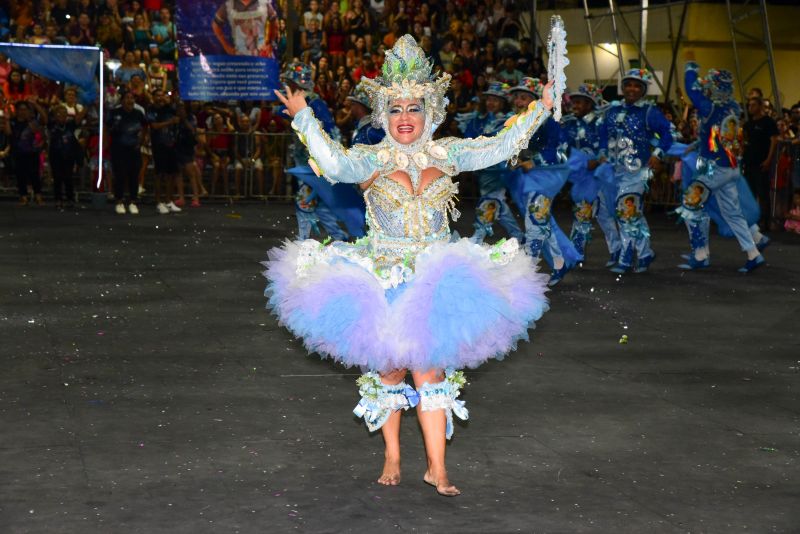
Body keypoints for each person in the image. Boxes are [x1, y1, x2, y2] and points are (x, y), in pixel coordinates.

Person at [268, 35, 554, 496]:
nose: (405, 117)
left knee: (431, 372)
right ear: (384, 114)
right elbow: (331, 164)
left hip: (438, 277)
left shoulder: (450, 153)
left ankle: (438, 468)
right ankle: (393, 455)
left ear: (431, 112)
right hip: (382, 277)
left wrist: (539, 108)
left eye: (414, 107)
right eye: (396, 108)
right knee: (392, 373)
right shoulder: (370, 159)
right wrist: (305, 116)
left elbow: (501, 146)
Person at [677, 63, 768, 272]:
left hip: (714, 169)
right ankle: (753, 253)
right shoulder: (733, 107)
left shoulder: (710, 107)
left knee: (690, 204)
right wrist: (699, 144)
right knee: (733, 213)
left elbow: (691, 90)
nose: (705, 89)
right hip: (731, 169)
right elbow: (717, 136)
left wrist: (690, 69)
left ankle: (700, 254)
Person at [598, 69, 674, 274]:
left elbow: (669, 132)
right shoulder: (612, 111)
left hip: (637, 171)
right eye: (628, 85)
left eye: (636, 86)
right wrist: (603, 152)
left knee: (626, 210)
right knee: (632, 213)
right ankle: (645, 253)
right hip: (614, 171)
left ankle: (625, 257)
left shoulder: (649, 112)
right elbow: (603, 133)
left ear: (643, 90)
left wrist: (657, 154)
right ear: (622, 88)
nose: (632, 89)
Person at [507, 77, 581, 286]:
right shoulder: (516, 121)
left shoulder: (548, 121)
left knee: (535, 225)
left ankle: (528, 272)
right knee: (541, 221)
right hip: (527, 179)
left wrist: (534, 161)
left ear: (536, 100)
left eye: (524, 97)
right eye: (517, 97)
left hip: (547, 179)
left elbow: (563, 151)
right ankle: (559, 263)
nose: (519, 102)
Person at [280, 60, 348, 241]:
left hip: (314, 162)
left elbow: (332, 132)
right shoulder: (307, 102)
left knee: (307, 199)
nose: (287, 85)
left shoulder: (314, 103)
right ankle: (339, 237)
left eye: (289, 82)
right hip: (307, 160)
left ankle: (304, 241)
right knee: (318, 201)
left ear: (296, 83)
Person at [560, 83, 621, 263]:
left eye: (579, 102)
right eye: (574, 102)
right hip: (580, 176)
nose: (575, 105)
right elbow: (563, 147)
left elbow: (607, 145)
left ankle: (580, 252)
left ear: (590, 104)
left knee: (596, 214)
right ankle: (580, 252)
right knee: (594, 213)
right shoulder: (569, 123)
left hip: (598, 175)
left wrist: (598, 159)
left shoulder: (600, 123)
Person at [457, 81, 523, 244]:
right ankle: (519, 236)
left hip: (498, 167)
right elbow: (468, 137)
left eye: (495, 100)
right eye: (488, 99)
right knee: (497, 201)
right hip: (482, 166)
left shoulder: (509, 120)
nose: (491, 103)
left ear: (503, 102)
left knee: (490, 198)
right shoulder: (476, 119)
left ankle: (479, 235)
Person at [108, 90, 147, 214]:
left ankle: (133, 202)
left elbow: (145, 127)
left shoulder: (138, 113)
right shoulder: (114, 113)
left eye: (132, 98)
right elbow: (106, 127)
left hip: (134, 149)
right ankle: (119, 201)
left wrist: (141, 141)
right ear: (122, 100)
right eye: (127, 98)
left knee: (134, 175)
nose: (129, 100)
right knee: (119, 175)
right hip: (118, 149)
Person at [742, 96, 779, 230]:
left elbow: (774, 141)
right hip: (749, 163)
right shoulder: (747, 124)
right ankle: (752, 220)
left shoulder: (768, 122)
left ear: (760, 106)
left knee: (763, 193)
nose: (750, 108)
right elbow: (744, 142)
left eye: (753, 105)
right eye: (749, 105)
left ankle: (765, 222)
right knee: (750, 193)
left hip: (762, 163)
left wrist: (768, 160)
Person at [4, 99, 47, 206]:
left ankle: (38, 196)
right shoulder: (13, 121)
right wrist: (7, 120)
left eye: (25, 109)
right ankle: (23, 196)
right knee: (20, 175)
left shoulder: (32, 122)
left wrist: (35, 105)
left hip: (32, 152)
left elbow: (44, 120)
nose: (23, 112)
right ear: (17, 111)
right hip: (18, 152)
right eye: (20, 109)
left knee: (34, 175)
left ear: (28, 111)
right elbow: (8, 133)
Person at [48, 105, 82, 209]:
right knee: (57, 177)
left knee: (68, 177)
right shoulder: (52, 125)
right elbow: (44, 118)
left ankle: (70, 199)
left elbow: (78, 119)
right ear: (55, 116)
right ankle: (58, 199)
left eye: (64, 114)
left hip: (68, 155)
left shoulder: (70, 125)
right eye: (59, 114)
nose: (62, 117)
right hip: (55, 155)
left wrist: (81, 106)